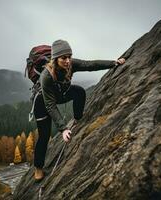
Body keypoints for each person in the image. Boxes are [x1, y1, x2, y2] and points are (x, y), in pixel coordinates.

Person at [33, 39, 125, 181]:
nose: (68, 61)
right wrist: (63, 129)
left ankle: (77, 119)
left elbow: (90, 65)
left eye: (69, 57)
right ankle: (38, 167)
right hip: (42, 103)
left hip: (60, 94)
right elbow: (50, 105)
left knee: (79, 92)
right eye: (64, 58)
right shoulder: (46, 76)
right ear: (56, 58)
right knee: (44, 136)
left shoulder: (71, 64)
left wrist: (113, 63)